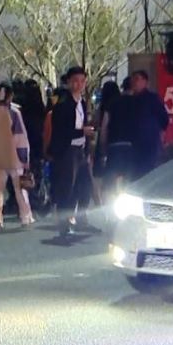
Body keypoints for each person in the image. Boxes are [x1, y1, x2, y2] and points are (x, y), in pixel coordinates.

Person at [48, 66, 96, 237]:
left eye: (82, 81)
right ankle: (64, 224)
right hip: (67, 151)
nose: (79, 84)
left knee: (84, 187)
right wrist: (81, 131)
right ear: (68, 82)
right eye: (75, 81)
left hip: (81, 149)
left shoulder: (82, 103)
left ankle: (80, 219)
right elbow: (61, 130)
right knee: (66, 188)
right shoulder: (62, 104)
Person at [0, 83, 34, 230]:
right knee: (20, 188)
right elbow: (20, 137)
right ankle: (26, 216)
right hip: (14, 156)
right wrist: (25, 158)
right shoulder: (14, 112)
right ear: (11, 95)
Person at [128, 70, 170, 178]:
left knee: (148, 173)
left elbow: (164, 117)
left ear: (145, 81)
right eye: (132, 79)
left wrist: (161, 133)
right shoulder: (130, 100)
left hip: (150, 143)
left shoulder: (152, 98)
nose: (134, 82)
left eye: (137, 79)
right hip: (134, 145)